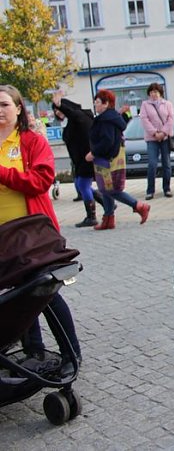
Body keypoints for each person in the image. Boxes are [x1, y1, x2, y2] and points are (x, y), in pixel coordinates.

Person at [0, 85, 82, 369]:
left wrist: (2, 173)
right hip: (3, 238)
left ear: (18, 108)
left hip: (31, 236)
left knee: (44, 292)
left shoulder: (31, 141)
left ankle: (71, 355)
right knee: (17, 297)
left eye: (4, 104)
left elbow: (40, 181)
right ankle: (33, 351)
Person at [86, 89, 150, 230]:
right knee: (105, 189)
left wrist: (94, 152)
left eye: (98, 102)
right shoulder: (112, 117)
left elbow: (107, 140)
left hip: (107, 159)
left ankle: (139, 206)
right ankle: (108, 218)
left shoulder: (105, 120)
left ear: (106, 104)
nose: (95, 105)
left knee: (111, 190)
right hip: (112, 158)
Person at [51, 91, 100, 227]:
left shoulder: (80, 116)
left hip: (86, 157)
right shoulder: (72, 120)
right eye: (55, 111)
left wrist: (60, 104)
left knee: (83, 185)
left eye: (59, 109)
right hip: (79, 159)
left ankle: (91, 216)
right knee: (81, 184)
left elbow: (72, 113)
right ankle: (106, 203)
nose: (58, 112)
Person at [138, 82, 174, 200]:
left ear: (160, 93)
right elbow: (144, 120)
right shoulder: (145, 105)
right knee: (152, 164)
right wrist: (155, 133)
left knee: (166, 163)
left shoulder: (167, 104)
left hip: (165, 137)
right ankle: (150, 190)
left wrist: (163, 132)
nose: (154, 94)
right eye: (152, 92)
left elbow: (171, 119)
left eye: (156, 92)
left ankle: (167, 188)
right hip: (151, 138)